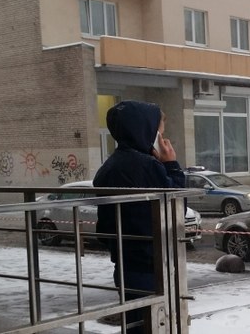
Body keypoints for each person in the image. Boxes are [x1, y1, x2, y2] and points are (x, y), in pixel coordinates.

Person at [93, 101, 185, 331]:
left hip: (126, 265)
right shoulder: (146, 166)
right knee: (155, 325)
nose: (162, 140)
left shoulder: (109, 166)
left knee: (135, 324)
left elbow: (105, 227)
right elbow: (176, 211)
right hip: (149, 264)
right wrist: (172, 165)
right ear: (144, 131)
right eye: (159, 133)